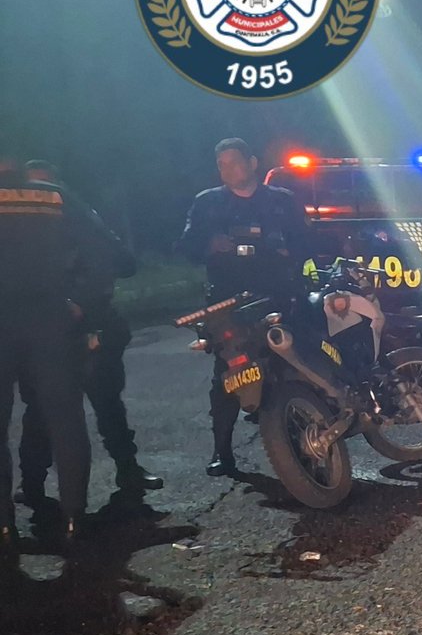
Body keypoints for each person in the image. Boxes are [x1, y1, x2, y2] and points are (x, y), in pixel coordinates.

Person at [15, 160, 163, 502]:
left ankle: (128, 469)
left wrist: (82, 299)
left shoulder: (81, 221)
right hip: (39, 335)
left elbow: (122, 262)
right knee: (38, 412)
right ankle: (32, 484)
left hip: (90, 326)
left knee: (108, 403)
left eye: (48, 190)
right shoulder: (13, 234)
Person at [175, 138, 307, 476]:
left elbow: (309, 242)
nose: (228, 169)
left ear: (252, 163)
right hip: (228, 300)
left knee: (292, 366)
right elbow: (186, 247)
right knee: (227, 375)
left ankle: (303, 443)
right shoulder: (208, 204)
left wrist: (287, 252)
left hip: (278, 295)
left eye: (234, 162)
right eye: (221, 164)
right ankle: (222, 450)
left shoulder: (282, 201)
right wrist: (210, 245)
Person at [0, 152, 107, 552]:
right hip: (51, 318)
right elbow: (102, 251)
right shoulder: (53, 196)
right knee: (65, 419)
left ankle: (5, 528)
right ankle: (75, 519)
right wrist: (80, 301)